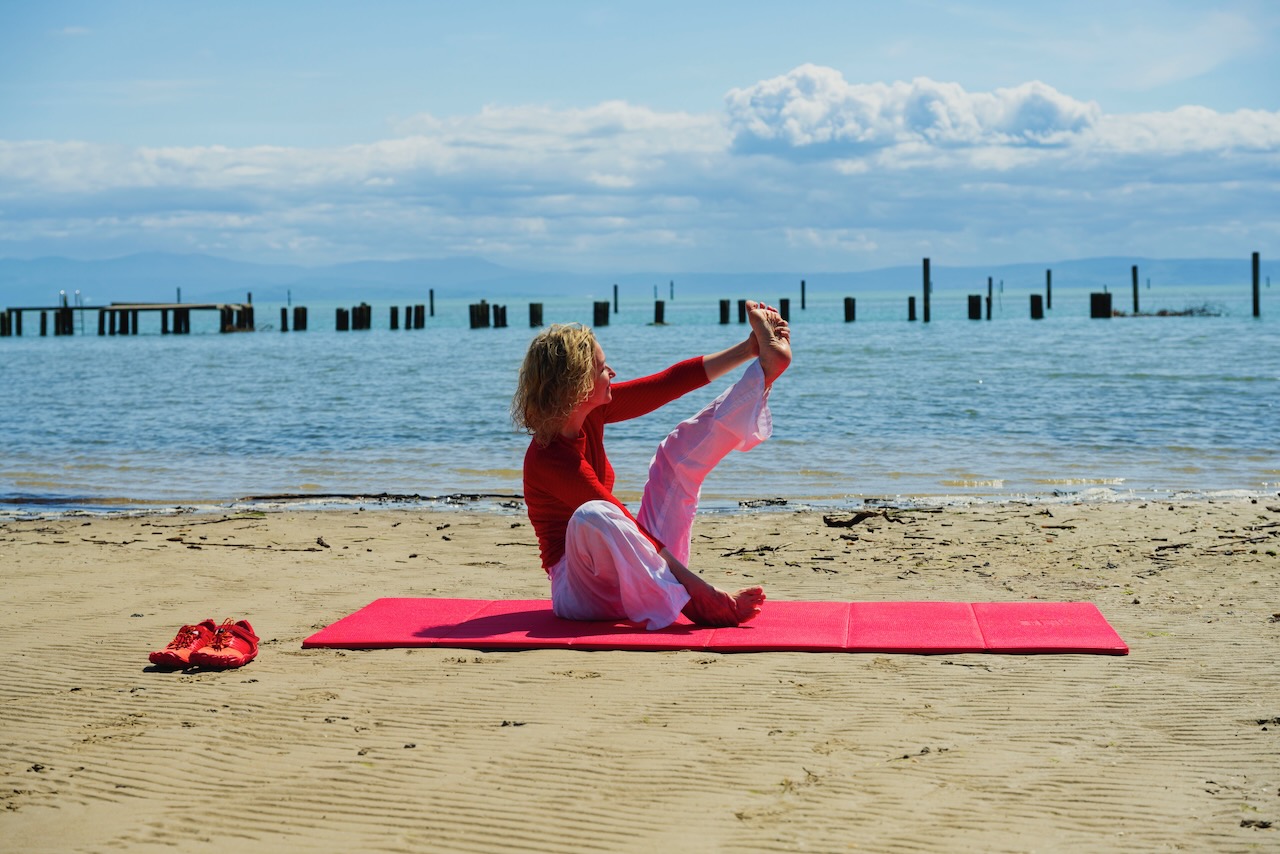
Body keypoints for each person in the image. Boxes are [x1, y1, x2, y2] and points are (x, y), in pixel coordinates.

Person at [511, 300, 791, 630]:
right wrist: (697, 588)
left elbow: (668, 383)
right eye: (602, 368)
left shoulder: (592, 412)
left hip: (637, 574)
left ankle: (764, 374)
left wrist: (749, 350)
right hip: (581, 594)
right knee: (594, 513)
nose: (612, 373)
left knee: (674, 456)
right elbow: (620, 516)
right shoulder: (548, 458)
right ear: (577, 386)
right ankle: (685, 600)